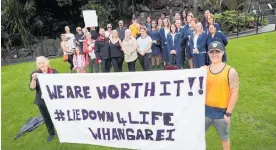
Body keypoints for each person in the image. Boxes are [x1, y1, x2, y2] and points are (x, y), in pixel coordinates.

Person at [204, 41, 239, 150]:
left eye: (217, 51)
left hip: (222, 113)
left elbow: (234, 93)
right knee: (197, 136)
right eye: (212, 52)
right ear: (208, 54)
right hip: (205, 112)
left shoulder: (230, 71)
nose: (214, 54)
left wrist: (228, 113)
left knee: (224, 139)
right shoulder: (204, 70)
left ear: (222, 52)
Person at [29, 56, 58, 142]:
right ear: (37, 65)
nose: (42, 65)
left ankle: (62, 131)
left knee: (58, 116)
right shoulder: (35, 74)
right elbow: (32, 88)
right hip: (42, 101)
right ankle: (51, 133)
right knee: (47, 118)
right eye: (39, 63)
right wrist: (34, 79)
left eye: (43, 62)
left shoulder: (54, 72)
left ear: (47, 63)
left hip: (54, 99)